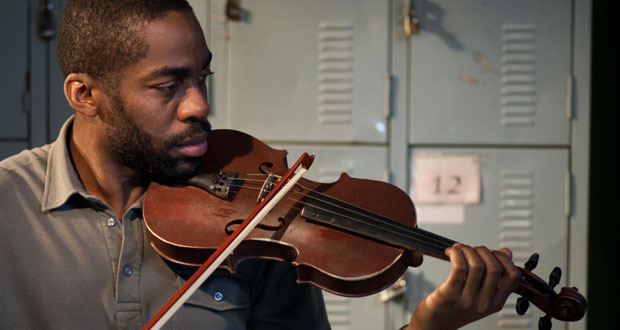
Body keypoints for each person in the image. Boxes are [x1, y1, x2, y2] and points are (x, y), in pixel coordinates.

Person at [0, 1, 520, 329]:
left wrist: (430, 325)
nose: (199, 106)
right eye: (168, 85)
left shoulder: (261, 222)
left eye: (202, 78)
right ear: (85, 94)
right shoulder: (7, 205)